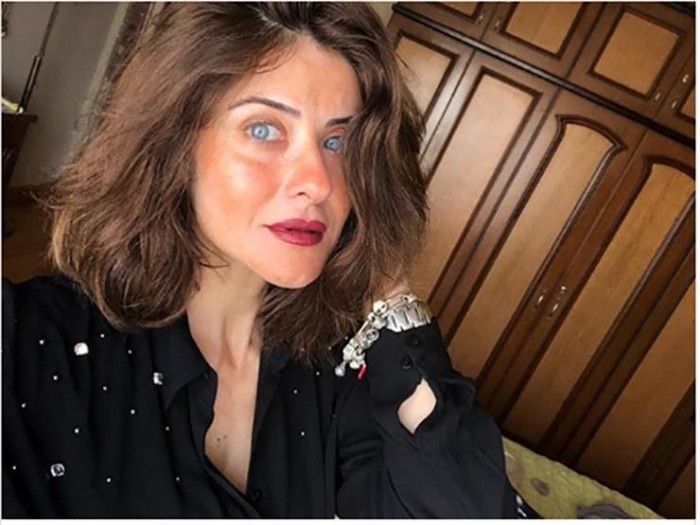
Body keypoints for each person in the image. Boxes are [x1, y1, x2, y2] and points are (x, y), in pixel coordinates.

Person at [2, 2, 537, 518]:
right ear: (174, 146)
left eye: (339, 143)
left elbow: (462, 508)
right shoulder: (28, 346)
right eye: (264, 129)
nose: (318, 182)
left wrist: (387, 280)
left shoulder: (335, 365)